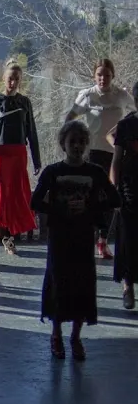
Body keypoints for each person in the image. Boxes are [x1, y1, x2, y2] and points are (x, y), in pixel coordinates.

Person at [31, 121, 120, 361]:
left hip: (83, 236)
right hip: (60, 236)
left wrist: (89, 207)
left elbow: (114, 199)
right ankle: (56, 334)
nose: (77, 146)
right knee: (59, 284)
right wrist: (60, 208)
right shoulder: (52, 172)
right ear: (63, 144)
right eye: (73, 142)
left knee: (82, 285)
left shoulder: (95, 172)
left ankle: (76, 336)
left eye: (81, 142)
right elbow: (36, 202)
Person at [66, 58, 134, 260]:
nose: (103, 78)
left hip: (115, 155)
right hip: (91, 153)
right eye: (99, 75)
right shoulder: (87, 95)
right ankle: (84, 238)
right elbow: (69, 118)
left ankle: (103, 240)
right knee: (88, 197)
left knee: (111, 197)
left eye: (106, 75)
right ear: (94, 76)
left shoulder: (121, 95)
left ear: (113, 76)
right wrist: (74, 144)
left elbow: (135, 108)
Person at [0, 62, 41, 254]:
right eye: (10, 78)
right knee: (0, 195)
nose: (13, 82)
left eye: (16, 79)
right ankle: (5, 233)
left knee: (17, 194)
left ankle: (12, 232)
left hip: (19, 154)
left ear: (20, 81)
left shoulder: (25, 103)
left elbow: (32, 132)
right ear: (4, 79)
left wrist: (36, 159)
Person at [110, 81, 138, 310]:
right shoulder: (126, 125)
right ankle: (128, 287)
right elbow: (116, 161)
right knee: (127, 241)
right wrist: (115, 191)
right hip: (129, 191)